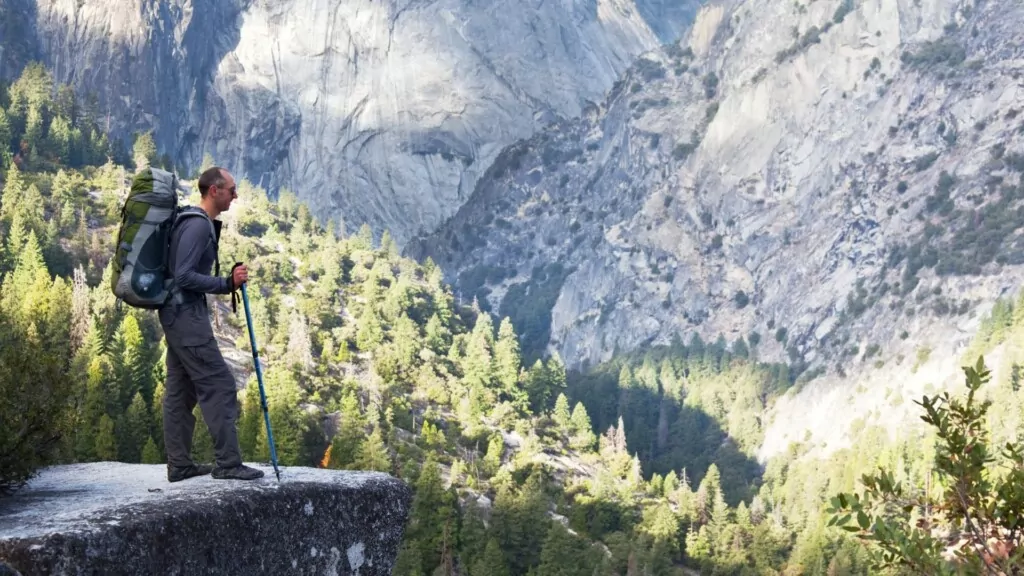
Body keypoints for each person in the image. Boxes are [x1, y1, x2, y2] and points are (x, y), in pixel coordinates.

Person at [159, 166, 264, 482]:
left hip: (176, 314)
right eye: (232, 189)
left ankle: (179, 465)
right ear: (214, 190)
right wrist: (226, 283)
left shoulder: (191, 220)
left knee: (180, 389)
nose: (236, 195)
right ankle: (228, 464)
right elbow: (184, 275)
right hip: (186, 318)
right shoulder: (198, 226)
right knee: (219, 384)